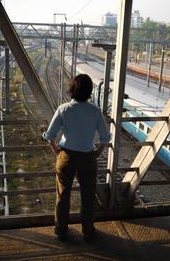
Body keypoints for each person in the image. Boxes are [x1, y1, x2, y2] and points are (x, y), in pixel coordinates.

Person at [43, 74, 110, 241]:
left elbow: (50, 136)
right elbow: (105, 137)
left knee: (62, 194)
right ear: (89, 92)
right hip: (88, 157)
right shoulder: (95, 111)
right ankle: (88, 231)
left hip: (66, 156)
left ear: (72, 90)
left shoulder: (63, 109)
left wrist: (57, 151)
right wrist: (98, 151)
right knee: (88, 196)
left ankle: (61, 231)